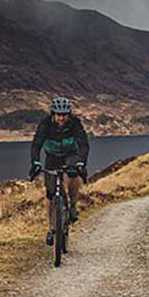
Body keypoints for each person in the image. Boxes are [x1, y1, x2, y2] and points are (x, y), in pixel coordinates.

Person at [29, 96, 89, 245]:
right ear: (53, 114)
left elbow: (83, 144)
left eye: (64, 115)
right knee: (50, 194)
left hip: (71, 154)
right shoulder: (45, 124)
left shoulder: (75, 124)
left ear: (69, 114)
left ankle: (73, 205)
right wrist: (35, 162)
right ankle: (51, 227)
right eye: (58, 114)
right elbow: (36, 144)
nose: (61, 118)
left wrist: (81, 162)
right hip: (52, 156)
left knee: (73, 173)